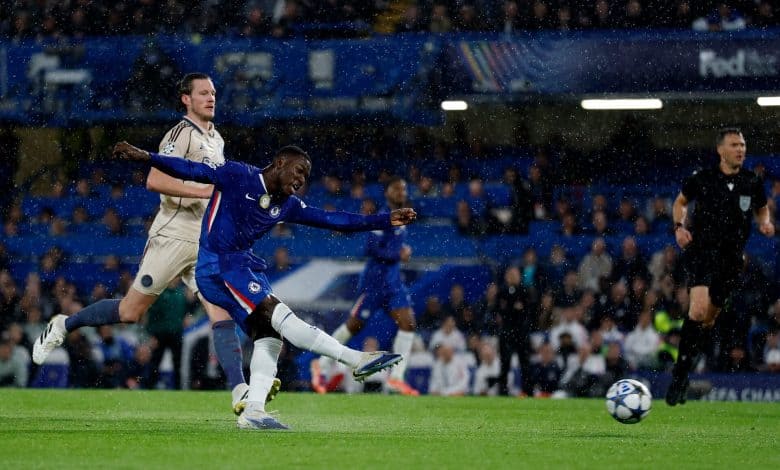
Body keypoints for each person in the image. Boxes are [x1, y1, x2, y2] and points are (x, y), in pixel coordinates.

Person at [107, 141, 414, 430]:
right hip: (218, 266)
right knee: (278, 315)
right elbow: (193, 170)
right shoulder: (238, 175)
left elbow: (334, 220)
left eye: (306, 176)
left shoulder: (288, 204)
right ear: (280, 163)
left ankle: (253, 411)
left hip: (239, 266)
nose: (301, 180)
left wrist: (385, 220)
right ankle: (355, 359)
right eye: (299, 171)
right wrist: (147, 157)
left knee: (269, 336)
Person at [32, 73, 257, 414]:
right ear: (186, 99)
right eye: (203, 93)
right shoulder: (180, 133)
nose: (211, 98)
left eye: (213, 93)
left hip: (204, 240)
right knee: (129, 311)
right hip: (171, 235)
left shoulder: (217, 139)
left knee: (219, 312)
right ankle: (64, 324)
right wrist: (203, 191)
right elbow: (155, 178)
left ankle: (240, 391)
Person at [666, 128, 775, 406]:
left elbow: (762, 207)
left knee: (709, 319)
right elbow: (680, 202)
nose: (741, 149)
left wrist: (765, 221)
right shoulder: (702, 179)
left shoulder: (752, 181)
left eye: (743, 144)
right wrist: (679, 227)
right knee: (698, 309)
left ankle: (688, 366)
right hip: (702, 252)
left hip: (731, 260)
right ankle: (680, 375)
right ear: (720, 150)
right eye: (734, 145)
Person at [311, 177, 420, 396]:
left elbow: (389, 248)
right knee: (353, 326)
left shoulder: (402, 218)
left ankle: (396, 379)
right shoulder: (381, 218)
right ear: (387, 192)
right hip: (375, 284)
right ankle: (320, 364)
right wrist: (397, 253)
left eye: (404, 189)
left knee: (408, 324)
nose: (401, 192)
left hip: (393, 284)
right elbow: (371, 249)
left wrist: (401, 251)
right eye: (396, 188)